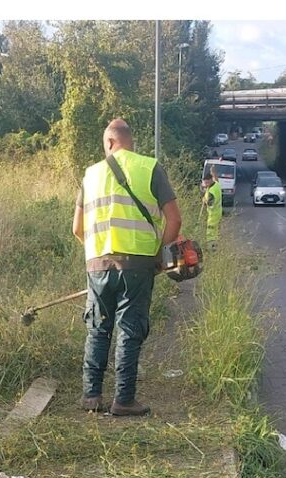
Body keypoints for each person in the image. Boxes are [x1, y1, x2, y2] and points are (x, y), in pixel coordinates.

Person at [71, 118, 182, 416]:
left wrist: (96, 254)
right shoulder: (149, 167)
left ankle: (91, 396)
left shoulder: (91, 174)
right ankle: (123, 400)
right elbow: (174, 220)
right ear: (130, 142)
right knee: (130, 330)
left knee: (98, 328)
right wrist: (159, 257)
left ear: (109, 142)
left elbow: (77, 228)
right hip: (138, 265)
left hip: (97, 264)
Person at [202, 169, 222, 250]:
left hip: (213, 215)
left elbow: (210, 204)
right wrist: (213, 172)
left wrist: (204, 201)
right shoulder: (216, 184)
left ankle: (211, 248)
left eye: (207, 183)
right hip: (218, 212)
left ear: (210, 180)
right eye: (205, 183)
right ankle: (215, 246)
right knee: (215, 232)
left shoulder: (211, 192)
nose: (206, 185)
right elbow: (216, 179)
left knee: (210, 233)